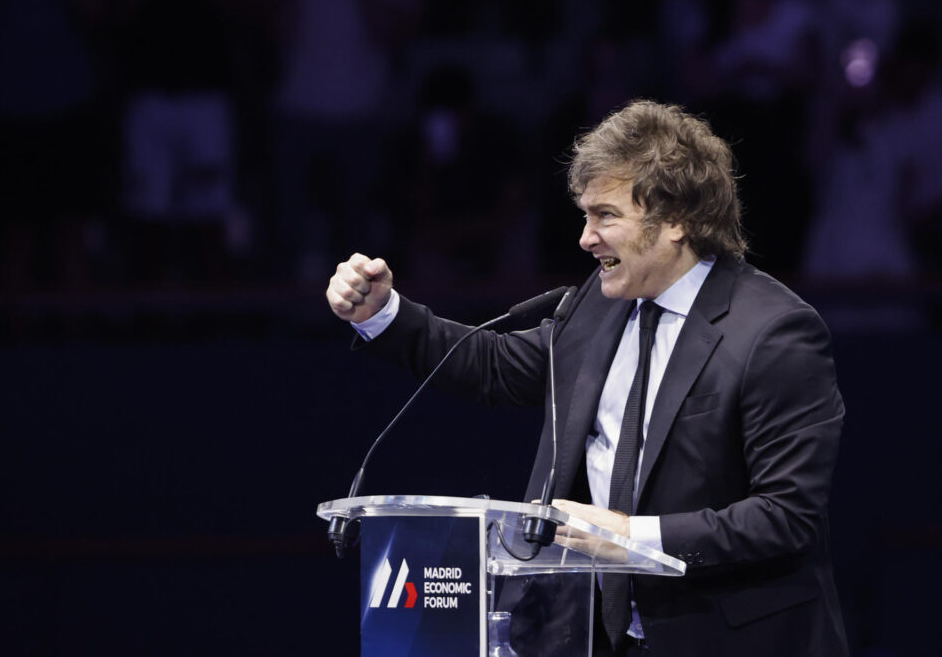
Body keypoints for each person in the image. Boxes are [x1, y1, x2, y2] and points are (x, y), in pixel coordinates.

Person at [326, 100, 848, 657]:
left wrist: (629, 536)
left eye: (605, 215)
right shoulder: (599, 307)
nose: (586, 237)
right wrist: (383, 315)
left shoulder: (773, 332)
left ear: (676, 220)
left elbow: (786, 515)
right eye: (585, 215)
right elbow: (494, 366)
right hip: (599, 638)